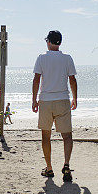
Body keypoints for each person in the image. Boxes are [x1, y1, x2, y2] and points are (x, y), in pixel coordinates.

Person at [32, 30, 77, 182]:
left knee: (46, 135)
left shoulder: (42, 58)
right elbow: (72, 80)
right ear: (59, 42)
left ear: (49, 41)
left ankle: (49, 168)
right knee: (67, 136)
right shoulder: (67, 58)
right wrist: (75, 98)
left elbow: (36, 79)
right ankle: (66, 165)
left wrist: (34, 99)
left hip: (46, 101)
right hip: (62, 99)